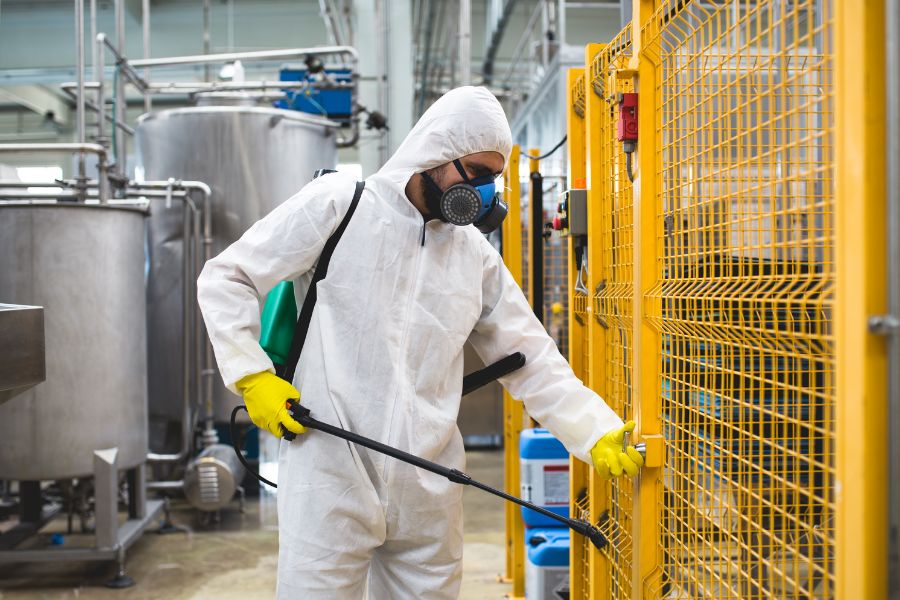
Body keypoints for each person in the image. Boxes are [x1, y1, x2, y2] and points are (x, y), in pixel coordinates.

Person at [197, 86, 643, 599]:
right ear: (434, 152)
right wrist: (253, 377)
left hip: (429, 482)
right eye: (473, 172)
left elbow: (531, 358)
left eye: (492, 179)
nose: (480, 192)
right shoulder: (342, 205)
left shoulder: (474, 257)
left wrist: (595, 430)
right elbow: (226, 276)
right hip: (329, 470)